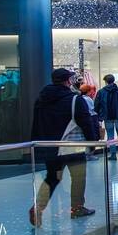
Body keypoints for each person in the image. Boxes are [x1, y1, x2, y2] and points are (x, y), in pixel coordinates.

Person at [29, 68, 99, 226]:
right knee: (78, 178)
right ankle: (77, 208)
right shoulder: (75, 100)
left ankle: (38, 208)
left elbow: (37, 123)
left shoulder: (41, 100)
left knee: (52, 178)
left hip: (51, 148)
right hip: (72, 147)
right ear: (68, 81)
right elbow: (86, 123)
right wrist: (93, 143)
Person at [94, 73, 118, 145]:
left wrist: (98, 118)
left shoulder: (101, 92)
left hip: (107, 117)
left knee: (110, 136)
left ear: (106, 82)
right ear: (114, 81)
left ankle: (112, 154)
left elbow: (97, 106)